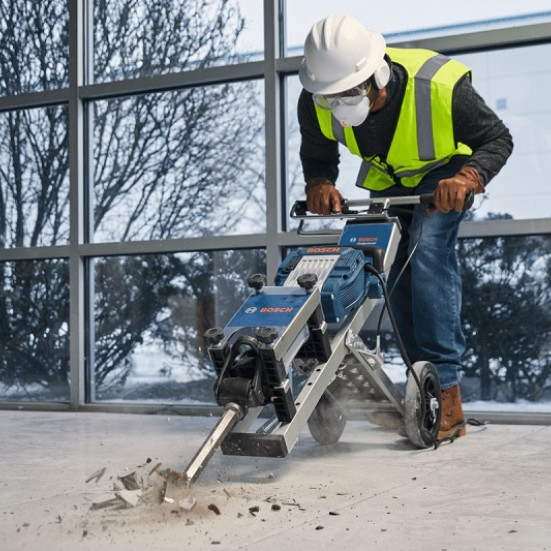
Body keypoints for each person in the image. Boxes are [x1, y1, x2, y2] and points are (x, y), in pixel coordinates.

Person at [297, 14, 513, 440]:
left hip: (445, 176)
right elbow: (318, 152)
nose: (338, 105)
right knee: (387, 271)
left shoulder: (440, 88)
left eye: (348, 95)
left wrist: (469, 177)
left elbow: (498, 138)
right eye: (330, 98)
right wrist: (319, 183)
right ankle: (421, 389)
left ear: (376, 75)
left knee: (429, 252)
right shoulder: (317, 97)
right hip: (391, 179)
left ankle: (447, 397)